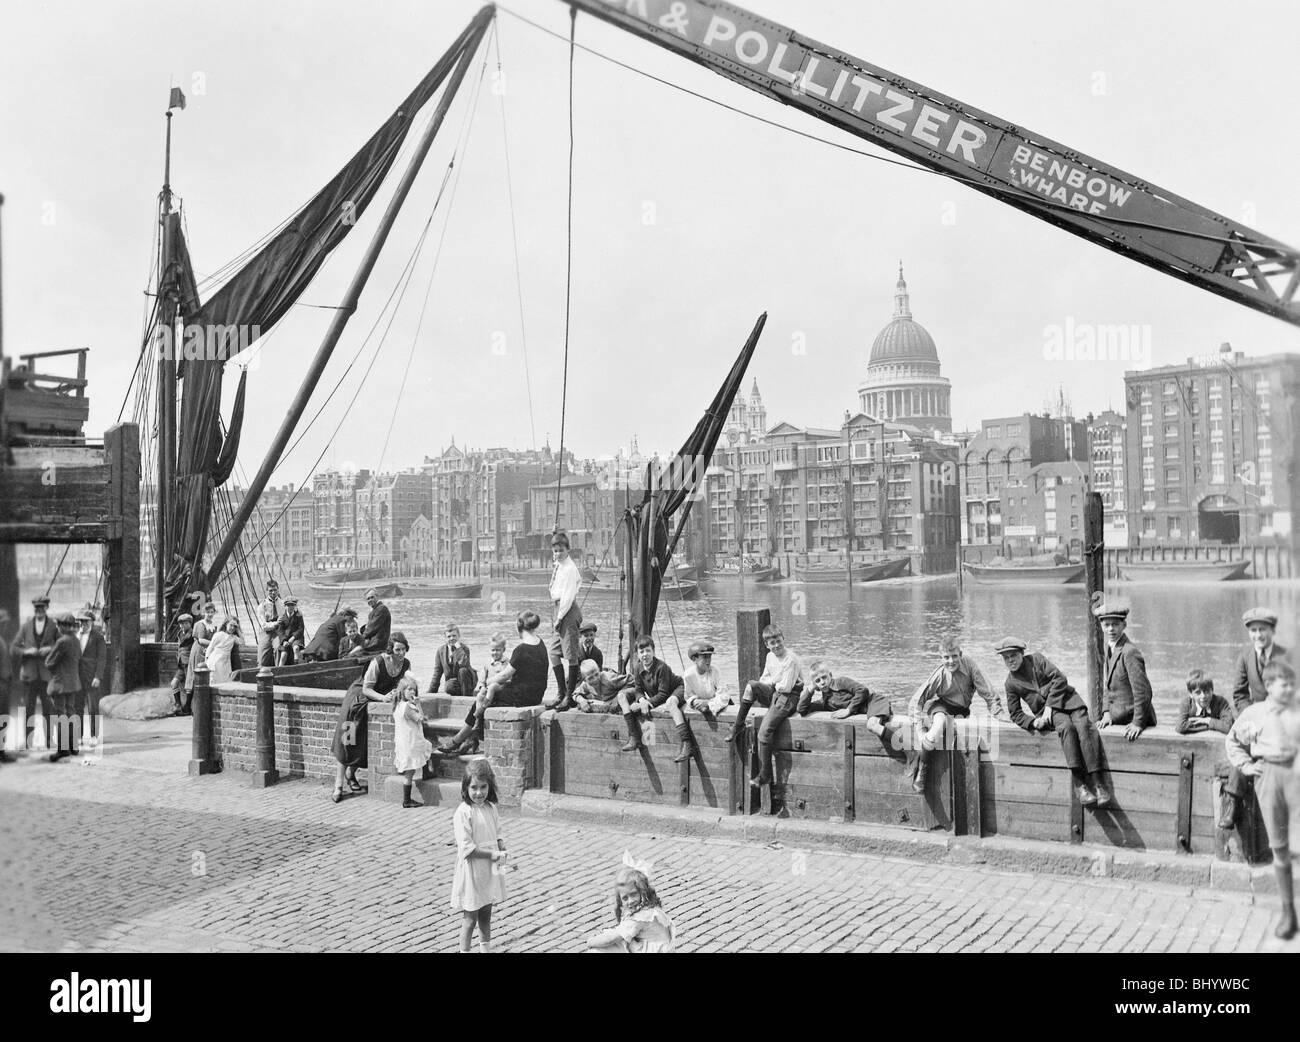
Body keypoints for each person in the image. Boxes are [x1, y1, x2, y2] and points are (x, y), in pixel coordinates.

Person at [1225, 660, 1300, 939]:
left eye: (1292, 683)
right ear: (1268, 686)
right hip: (1267, 777)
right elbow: (1232, 741)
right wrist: (1246, 766)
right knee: (1279, 848)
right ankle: (1288, 912)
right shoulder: (1254, 714)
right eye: (1285, 684)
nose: (1290, 688)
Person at [997, 637, 1110, 808]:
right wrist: (1033, 722)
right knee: (1066, 728)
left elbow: (1060, 679)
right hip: (1050, 715)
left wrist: (1049, 705)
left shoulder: (1037, 659)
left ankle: (1098, 783)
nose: (1010, 660)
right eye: (1006, 658)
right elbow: (1015, 714)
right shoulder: (1010, 683)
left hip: (1069, 701)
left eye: (1013, 655)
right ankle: (1079, 785)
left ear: (1022, 653)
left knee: (1084, 727)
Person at [438, 613, 548, 756]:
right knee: (488, 699)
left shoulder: (521, 649)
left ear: (518, 627)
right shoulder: (541, 643)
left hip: (523, 696)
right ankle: (471, 738)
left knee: (483, 700)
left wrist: (487, 682)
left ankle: (459, 740)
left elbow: (504, 675)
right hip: (536, 694)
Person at [905, 637, 1002, 793]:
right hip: (942, 707)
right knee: (939, 724)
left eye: (955, 656)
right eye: (946, 657)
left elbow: (988, 693)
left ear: (960, 654)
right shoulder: (939, 675)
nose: (951, 661)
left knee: (965, 736)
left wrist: (998, 714)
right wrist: (919, 730)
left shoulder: (970, 666)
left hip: (962, 712)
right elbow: (916, 702)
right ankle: (922, 769)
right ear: (941, 658)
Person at [330, 631, 412, 802]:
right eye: (397, 650)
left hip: (373, 705)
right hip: (356, 703)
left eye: (404, 649)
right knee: (348, 741)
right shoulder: (378, 662)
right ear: (390, 650)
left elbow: (404, 685)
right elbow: (367, 688)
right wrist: (383, 698)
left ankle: (350, 776)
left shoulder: (406, 664)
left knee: (363, 744)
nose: (401, 653)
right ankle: (338, 784)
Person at [723, 624, 804, 797]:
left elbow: (787, 687)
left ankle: (766, 775)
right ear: (767, 645)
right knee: (752, 685)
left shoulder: (791, 659)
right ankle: (738, 725)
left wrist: (774, 682)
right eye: (772, 643)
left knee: (763, 733)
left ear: (783, 639)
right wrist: (773, 682)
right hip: (776, 692)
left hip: (788, 698)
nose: (776, 646)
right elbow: (764, 679)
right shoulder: (770, 657)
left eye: (778, 641)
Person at [450, 759, 508, 954]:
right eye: (474, 787)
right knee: (470, 917)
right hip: (473, 870)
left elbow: (497, 831)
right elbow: (467, 848)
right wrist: (493, 854)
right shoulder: (463, 813)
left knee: (486, 912)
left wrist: (500, 845)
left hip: (489, 870)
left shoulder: (490, 808)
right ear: (465, 788)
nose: (479, 792)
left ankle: (485, 949)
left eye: (483, 787)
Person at [618, 635, 696, 763]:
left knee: (671, 703)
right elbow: (638, 689)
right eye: (641, 652)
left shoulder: (662, 668)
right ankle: (634, 737)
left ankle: (687, 744)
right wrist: (642, 700)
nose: (645, 655)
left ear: (653, 651)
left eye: (648, 651)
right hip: (657, 696)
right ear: (637, 654)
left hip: (676, 689)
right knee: (622, 696)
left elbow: (663, 694)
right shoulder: (638, 668)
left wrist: (648, 703)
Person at [586, 854, 675, 953]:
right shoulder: (650, 908)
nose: (630, 901)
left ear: (643, 892)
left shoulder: (641, 917)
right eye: (625, 898)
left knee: (598, 950)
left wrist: (591, 942)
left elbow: (612, 939)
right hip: (654, 947)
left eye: (633, 894)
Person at [1094, 602, 1156, 740]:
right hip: (1117, 717)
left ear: (1124, 625)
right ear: (1101, 626)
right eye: (1106, 625)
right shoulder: (1110, 647)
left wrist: (1138, 723)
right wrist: (1106, 712)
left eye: (1115, 624)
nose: (1111, 629)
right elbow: (1108, 685)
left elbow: (1143, 692)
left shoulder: (1129, 652)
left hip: (1132, 720)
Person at [12, 595, 58, 750]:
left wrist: (50, 649)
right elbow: (14, 648)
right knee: (28, 710)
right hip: (30, 676)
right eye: (37, 608)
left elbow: (60, 646)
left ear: (46, 609)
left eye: (42, 608)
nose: (39, 611)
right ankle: (27, 741)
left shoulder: (53, 626)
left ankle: (49, 740)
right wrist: (27, 651)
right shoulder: (26, 627)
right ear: (34, 610)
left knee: (48, 710)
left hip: (46, 676)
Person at [547, 532, 584, 709]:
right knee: (554, 653)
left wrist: (559, 618)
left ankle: (569, 697)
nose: (557, 554)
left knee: (571, 655)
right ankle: (561, 692)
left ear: (568, 549)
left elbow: (568, 597)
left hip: (567, 611)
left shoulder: (569, 569)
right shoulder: (559, 565)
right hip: (558, 608)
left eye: (560, 550)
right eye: (554, 551)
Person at [1232, 607, 1288, 714]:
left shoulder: (1285, 656)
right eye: (1253, 630)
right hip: (1255, 714)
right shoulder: (1244, 657)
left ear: (1272, 631)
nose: (1258, 635)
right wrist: (1251, 715)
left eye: (1262, 629)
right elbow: (1240, 695)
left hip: (1282, 714)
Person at [43, 612, 82, 762]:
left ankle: (63, 749)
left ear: (64, 626)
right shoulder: (76, 640)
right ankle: (73, 746)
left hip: (60, 684)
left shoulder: (62, 642)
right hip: (73, 683)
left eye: (59, 624)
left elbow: (49, 663)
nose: (58, 627)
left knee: (61, 716)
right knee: (71, 713)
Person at [392, 675, 434, 809]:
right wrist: (418, 704)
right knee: (410, 772)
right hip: (411, 742)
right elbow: (421, 718)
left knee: (425, 750)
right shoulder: (407, 707)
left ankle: (429, 773)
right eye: (409, 689)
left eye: (414, 690)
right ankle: (407, 800)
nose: (412, 692)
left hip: (405, 741)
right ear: (402, 691)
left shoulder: (398, 705)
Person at [76, 609, 108, 744]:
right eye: (81, 621)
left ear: (92, 622)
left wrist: (98, 677)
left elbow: (102, 659)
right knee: (77, 707)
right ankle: (79, 736)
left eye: (86, 621)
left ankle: (94, 736)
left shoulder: (98, 637)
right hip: (78, 678)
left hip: (92, 678)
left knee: (93, 708)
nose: (83, 624)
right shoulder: (76, 636)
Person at [1176, 669, 1234, 736]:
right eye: (1198, 693)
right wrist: (1212, 725)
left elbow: (1229, 727)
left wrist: (1208, 720)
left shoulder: (1221, 702)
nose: (1203, 696)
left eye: (1206, 691)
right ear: (1191, 694)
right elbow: (1180, 727)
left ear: (1212, 690)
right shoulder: (1187, 703)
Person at [681, 640, 727, 716]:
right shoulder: (688, 675)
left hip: (717, 709)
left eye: (709, 656)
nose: (708, 660)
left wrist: (708, 703)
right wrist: (695, 701)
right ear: (694, 659)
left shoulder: (715, 672)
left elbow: (724, 696)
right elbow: (688, 696)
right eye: (705, 657)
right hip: (700, 708)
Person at [428, 623, 476, 696]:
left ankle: (466, 697)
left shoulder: (465, 649)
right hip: (454, 684)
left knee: (463, 671)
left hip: (467, 680)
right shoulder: (440, 651)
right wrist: (430, 692)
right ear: (445, 638)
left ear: (459, 636)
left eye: (454, 636)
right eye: (449, 636)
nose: (451, 638)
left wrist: (458, 648)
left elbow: (463, 664)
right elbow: (437, 672)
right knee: (448, 686)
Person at [354, 588, 392, 658]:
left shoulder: (381, 609)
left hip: (378, 643)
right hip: (374, 641)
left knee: (354, 653)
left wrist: (359, 639)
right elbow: (369, 627)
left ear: (377, 597)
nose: (370, 600)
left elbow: (372, 628)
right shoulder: (375, 610)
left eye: (372, 597)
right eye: (368, 599)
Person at [171, 613, 195, 716]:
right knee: (174, 684)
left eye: (185, 623)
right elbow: (179, 647)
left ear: (190, 623)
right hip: (181, 663)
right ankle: (178, 705)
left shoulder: (193, 634)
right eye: (181, 624)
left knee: (189, 686)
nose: (183, 626)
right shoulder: (180, 633)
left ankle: (187, 708)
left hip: (189, 662)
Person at [205, 617, 242, 685]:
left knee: (224, 681)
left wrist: (239, 630)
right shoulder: (219, 635)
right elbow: (210, 648)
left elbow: (242, 642)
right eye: (231, 625)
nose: (232, 628)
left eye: (235, 626)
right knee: (214, 680)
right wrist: (206, 661)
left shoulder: (233, 637)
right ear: (226, 624)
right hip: (215, 660)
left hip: (225, 662)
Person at [256, 579, 282, 668]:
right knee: (262, 656)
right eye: (271, 590)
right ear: (267, 591)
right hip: (266, 633)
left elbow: (284, 621)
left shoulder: (282, 604)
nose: (273, 592)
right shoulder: (262, 606)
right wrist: (276, 623)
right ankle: (260, 672)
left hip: (278, 632)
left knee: (278, 648)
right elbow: (264, 626)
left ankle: (278, 671)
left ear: (278, 589)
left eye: (275, 590)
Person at [276, 597, 306, 666]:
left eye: (292, 605)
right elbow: (280, 631)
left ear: (295, 606)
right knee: (283, 654)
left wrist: (293, 637)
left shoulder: (299, 616)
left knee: (296, 648)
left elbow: (301, 629)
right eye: (288, 605)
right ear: (285, 606)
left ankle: (295, 666)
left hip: (296, 638)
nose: (290, 607)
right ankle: (279, 670)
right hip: (286, 639)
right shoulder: (282, 617)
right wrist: (283, 641)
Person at [0, 609, 12, 763]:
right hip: (1, 684)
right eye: (3, 623)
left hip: (4, 683)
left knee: (3, 718)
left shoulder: (2, 640)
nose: (5, 626)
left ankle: (1, 751)